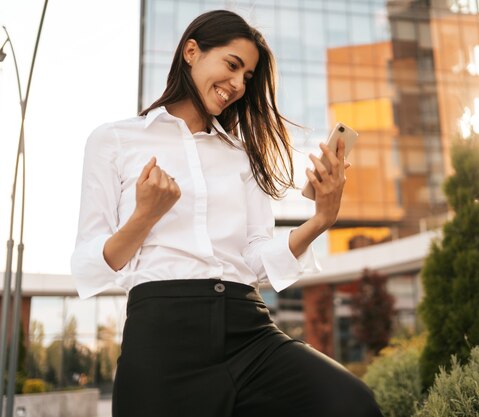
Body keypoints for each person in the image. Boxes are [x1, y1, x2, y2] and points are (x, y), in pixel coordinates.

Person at [71, 9, 383, 417]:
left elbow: (254, 257)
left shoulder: (241, 156)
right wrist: (144, 217)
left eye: (247, 77)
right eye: (232, 66)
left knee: (351, 404)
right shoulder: (114, 140)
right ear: (191, 51)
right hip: (163, 335)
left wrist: (321, 219)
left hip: (247, 329)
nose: (237, 85)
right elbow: (87, 266)